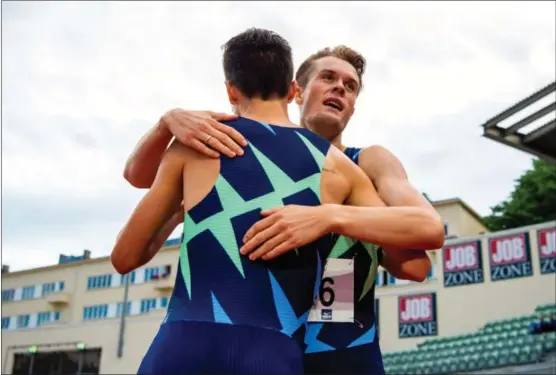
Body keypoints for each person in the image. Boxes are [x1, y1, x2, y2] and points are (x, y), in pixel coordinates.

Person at [121, 41, 443, 375]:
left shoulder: (365, 163)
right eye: (328, 77)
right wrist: (169, 121)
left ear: (353, 109)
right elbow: (140, 177)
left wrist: (329, 217)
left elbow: (417, 263)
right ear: (296, 92)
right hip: (272, 345)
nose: (340, 88)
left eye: (351, 87)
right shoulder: (243, 157)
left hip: (340, 350)